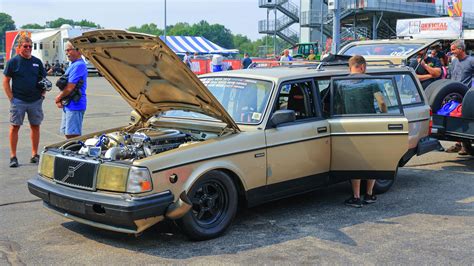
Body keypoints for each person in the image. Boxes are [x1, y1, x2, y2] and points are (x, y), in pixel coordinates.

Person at [343, 55, 387, 208]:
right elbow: (381, 102)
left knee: (355, 160)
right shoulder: (371, 81)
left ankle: (356, 197)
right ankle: (369, 194)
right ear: (362, 67)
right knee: (371, 159)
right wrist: (384, 114)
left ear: (351, 67)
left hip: (350, 125)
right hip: (370, 124)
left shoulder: (342, 82)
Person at [3, 36, 46, 167]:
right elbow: (5, 81)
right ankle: (13, 156)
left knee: (35, 126)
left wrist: (42, 95)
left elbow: (43, 79)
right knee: (15, 127)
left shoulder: (37, 62)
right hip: (19, 101)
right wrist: (12, 98)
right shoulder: (13, 62)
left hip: (35, 101)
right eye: (25, 46)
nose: (28, 49)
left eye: (30, 46)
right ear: (20, 47)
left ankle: (34, 154)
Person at [445, 39, 474, 155]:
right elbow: (451, 76)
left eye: (453, 50)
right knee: (454, 119)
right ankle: (458, 144)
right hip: (453, 95)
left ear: (461, 49)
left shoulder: (471, 61)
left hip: (465, 96)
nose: (451, 52)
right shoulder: (454, 61)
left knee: (464, 121)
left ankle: (464, 145)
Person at [54, 41, 88, 139]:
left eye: (69, 50)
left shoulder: (79, 65)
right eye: (66, 50)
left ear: (78, 51)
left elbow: (70, 87)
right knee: (68, 134)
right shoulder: (73, 65)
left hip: (75, 106)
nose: (66, 53)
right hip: (69, 104)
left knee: (74, 136)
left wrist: (58, 98)